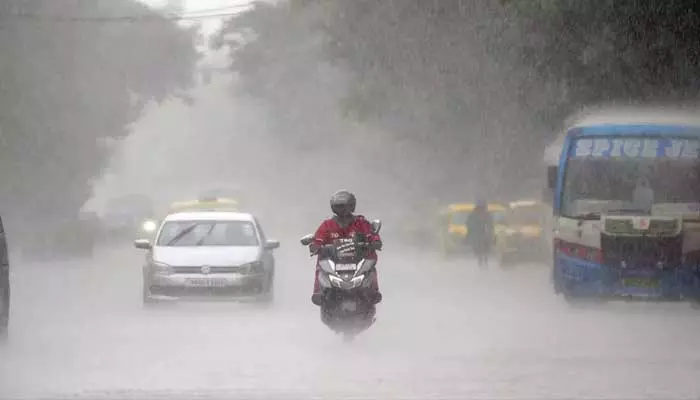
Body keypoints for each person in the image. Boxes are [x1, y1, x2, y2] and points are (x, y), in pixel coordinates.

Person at [309, 190, 383, 306]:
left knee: (371, 261)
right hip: (334, 259)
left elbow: (371, 234)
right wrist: (315, 245)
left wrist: (375, 241)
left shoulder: (361, 222)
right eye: (337, 206)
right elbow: (319, 237)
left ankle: (373, 290)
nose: (341, 210)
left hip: (358, 258)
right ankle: (318, 291)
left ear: (351, 206)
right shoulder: (327, 224)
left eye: (344, 206)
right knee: (320, 262)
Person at [466, 199, 494, 267]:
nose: (482, 209)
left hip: (484, 235)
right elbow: (468, 224)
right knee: (479, 249)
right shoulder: (473, 215)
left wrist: (490, 233)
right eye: (481, 207)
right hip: (477, 235)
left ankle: (484, 260)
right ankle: (481, 261)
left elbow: (490, 224)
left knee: (485, 249)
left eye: (483, 207)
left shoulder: (486, 214)